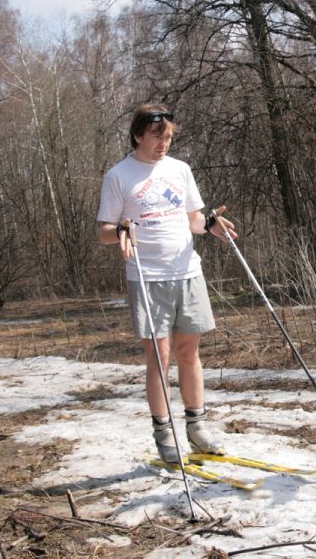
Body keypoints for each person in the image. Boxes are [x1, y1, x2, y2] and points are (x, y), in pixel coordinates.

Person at [97, 103, 237, 463]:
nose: (164, 143)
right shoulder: (119, 175)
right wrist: (122, 231)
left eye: (169, 137)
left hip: (186, 271)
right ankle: (164, 431)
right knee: (159, 358)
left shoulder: (180, 170)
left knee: (189, 351)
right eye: (158, 136)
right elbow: (104, 233)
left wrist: (211, 226)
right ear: (139, 135)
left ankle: (197, 425)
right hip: (148, 277)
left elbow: (194, 220)